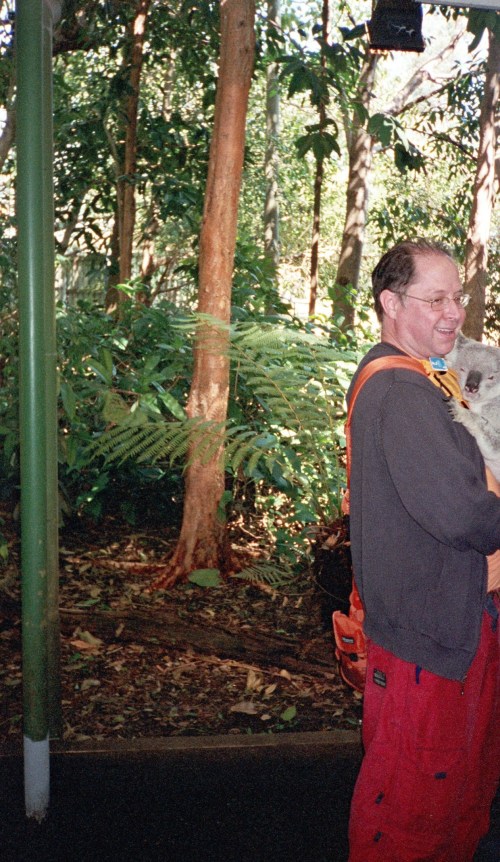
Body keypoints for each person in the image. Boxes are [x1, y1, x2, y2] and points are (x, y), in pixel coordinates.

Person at [346, 239, 500, 862]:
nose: (453, 312)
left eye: (457, 296)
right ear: (390, 303)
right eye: (435, 299)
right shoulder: (401, 391)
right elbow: (461, 513)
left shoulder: (430, 375)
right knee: (410, 808)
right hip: (427, 636)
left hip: (456, 621)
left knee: (459, 795)